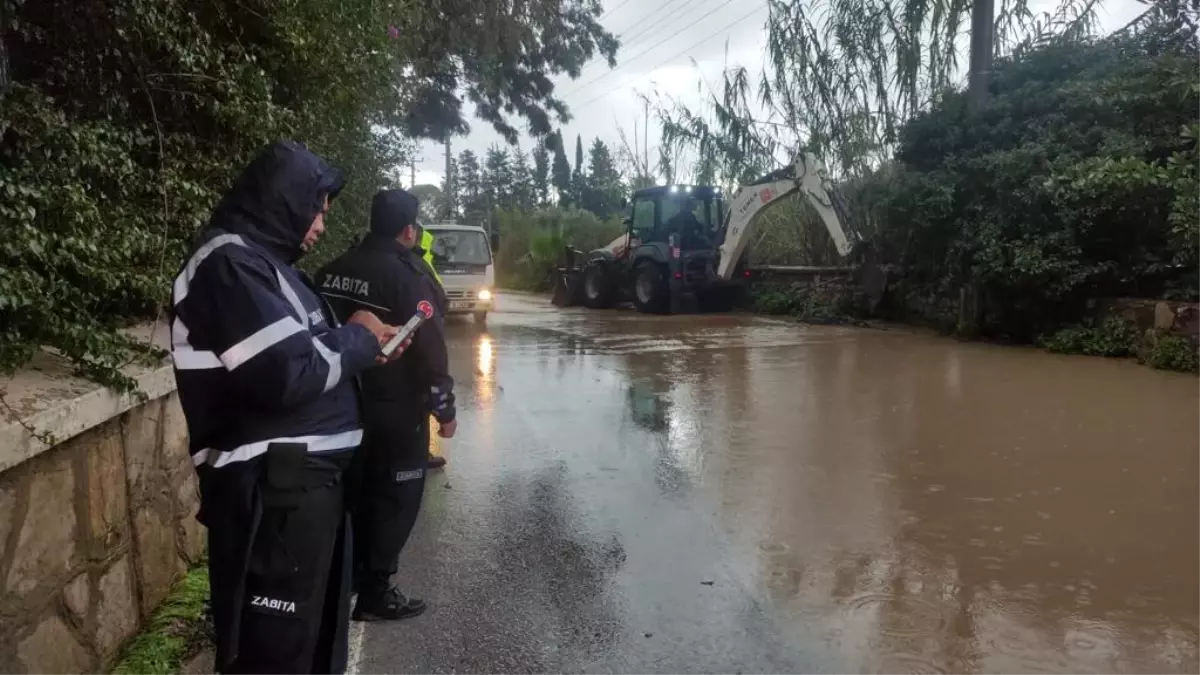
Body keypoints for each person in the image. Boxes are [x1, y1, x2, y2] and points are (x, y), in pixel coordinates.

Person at [168, 140, 407, 675]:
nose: (320, 224)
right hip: (274, 500)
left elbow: (309, 360)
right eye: (315, 207)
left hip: (301, 495)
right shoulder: (227, 263)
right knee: (274, 653)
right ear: (284, 198)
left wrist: (361, 349)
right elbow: (286, 373)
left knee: (310, 646)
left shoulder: (267, 267)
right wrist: (359, 340)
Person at [315, 189, 457, 622]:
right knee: (394, 498)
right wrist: (444, 407)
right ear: (409, 230)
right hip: (394, 410)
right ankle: (376, 592)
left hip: (337, 406)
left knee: (350, 494)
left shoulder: (332, 269)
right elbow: (429, 347)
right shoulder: (409, 276)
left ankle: (344, 580)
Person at [412, 224, 450, 470]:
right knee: (419, 399)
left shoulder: (417, 259)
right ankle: (419, 454)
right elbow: (438, 296)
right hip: (415, 339)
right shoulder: (416, 264)